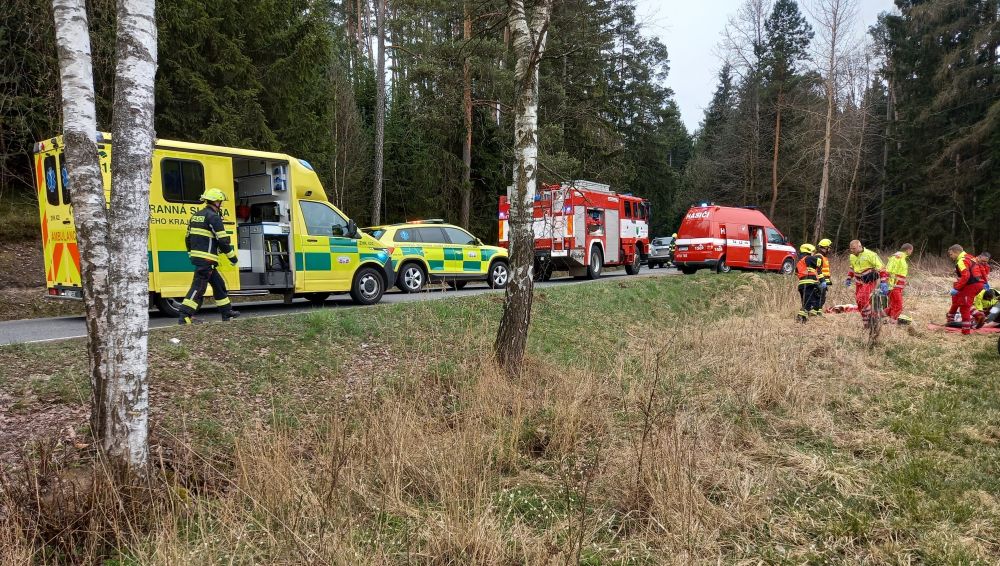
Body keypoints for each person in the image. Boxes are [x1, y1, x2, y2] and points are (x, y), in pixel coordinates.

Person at [177, 188, 241, 325]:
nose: (221, 204)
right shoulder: (213, 217)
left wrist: (191, 254)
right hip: (207, 259)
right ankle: (184, 316)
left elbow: (187, 238)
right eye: (220, 202)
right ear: (216, 202)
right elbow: (223, 241)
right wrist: (232, 258)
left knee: (219, 285)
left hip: (201, 259)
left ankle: (226, 312)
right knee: (198, 288)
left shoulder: (195, 216)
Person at [946, 244, 986, 335]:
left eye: (951, 254)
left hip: (971, 285)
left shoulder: (961, 261)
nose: (950, 256)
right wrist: (985, 282)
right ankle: (979, 315)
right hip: (979, 283)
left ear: (956, 252)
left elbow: (966, 276)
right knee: (964, 303)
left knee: (964, 307)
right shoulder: (970, 257)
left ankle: (966, 331)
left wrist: (957, 288)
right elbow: (981, 269)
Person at [846, 240, 888, 326]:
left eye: (854, 248)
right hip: (858, 282)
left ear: (859, 246)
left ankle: (874, 318)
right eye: (851, 249)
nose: (852, 250)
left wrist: (883, 282)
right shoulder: (852, 256)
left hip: (869, 281)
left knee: (862, 300)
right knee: (859, 303)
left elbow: (881, 268)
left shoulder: (870, 254)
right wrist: (849, 278)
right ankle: (867, 324)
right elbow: (852, 267)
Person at [885, 243, 914, 324]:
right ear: (908, 250)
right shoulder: (898, 257)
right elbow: (889, 270)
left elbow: (899, 272)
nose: (911, 252)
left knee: (893, 305)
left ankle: (879, 316)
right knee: (898, 305)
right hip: (894, 286)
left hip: (896, 286)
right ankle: (893, 322)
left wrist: (903, 282)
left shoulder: (901, 257)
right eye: (911, 250)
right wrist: (888, 283)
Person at [796, 243, 823, 322]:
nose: (813, 254)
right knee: (809, 302)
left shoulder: (799, 262)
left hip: (801, 285)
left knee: (805, 302)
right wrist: (819, 256)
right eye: (813, 252)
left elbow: (797, 273)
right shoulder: (808, 258)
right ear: (809, 251)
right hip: (809, 283)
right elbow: (819, 262)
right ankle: (800, 317)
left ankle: (803, 319)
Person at [816, 238, 833, 310]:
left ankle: (817, 312)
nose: (829, 249)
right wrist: (822, 280)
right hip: (819, 281)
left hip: (823, 281)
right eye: (829, 248)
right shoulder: (819, 256)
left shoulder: (824, 257)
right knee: (818, 298)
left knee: (822, 298)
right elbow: (818, 270)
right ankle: (815, 312)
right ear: (825, 247)